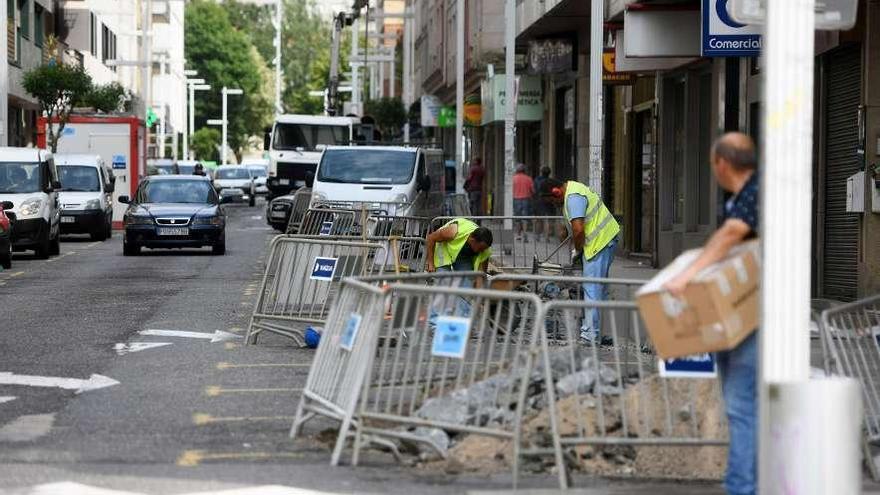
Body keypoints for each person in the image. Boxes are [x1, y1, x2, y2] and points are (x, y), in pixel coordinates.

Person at [664, 132, 758, 495]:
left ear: (721, 163)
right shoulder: (737, 198)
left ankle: (742, 487)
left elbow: (731, 235)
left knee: (741, 405)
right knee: (741, 404)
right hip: (736, 312)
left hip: (752, 316)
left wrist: (686, 275)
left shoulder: (753, 195)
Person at [540, 177, 620, 344]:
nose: (554, 205)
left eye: (552, 201)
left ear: (556, 192)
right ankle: (596, 333)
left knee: (591, 288)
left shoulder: (573, 197)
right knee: (598, 290)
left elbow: (578, 230)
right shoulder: (574, 191)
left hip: (600, 243)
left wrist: (577, 250)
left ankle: (590, 335)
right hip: (604, 240)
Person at [425, 218, 493, 274]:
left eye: (484, 249)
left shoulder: (486, 249)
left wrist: (479, 290)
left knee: (466, 284)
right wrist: (430, 263)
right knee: (444, 281)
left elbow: (480, 275)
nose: (482, 251)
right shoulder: (452, 232)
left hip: (462, 256)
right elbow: (431, 238)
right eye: (480, 248)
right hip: (443, 248)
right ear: (472, 240)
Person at [512, 164, 535, 238]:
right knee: (525, 217)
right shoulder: (529, 178)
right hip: (526, 199)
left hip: (516, 199)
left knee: (517, 217)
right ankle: (525, 233)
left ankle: (518, 234)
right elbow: (533, 190)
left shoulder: (513, 178)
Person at [532, 166, 552, 240]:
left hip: (538, 201)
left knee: (538, 219)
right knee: (546, 219)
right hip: (548, 201)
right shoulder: (550, 181)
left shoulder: (537, 180)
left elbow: (534, 191)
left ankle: (537, 235)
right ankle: (547, 236)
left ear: (541, 172)